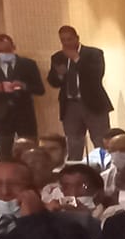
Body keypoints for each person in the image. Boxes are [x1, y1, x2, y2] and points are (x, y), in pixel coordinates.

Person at [44, 26, 112, 161]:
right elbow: (53, 82)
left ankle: (105, 168)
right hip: (70, 106)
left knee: (100, 140)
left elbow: (96, 75)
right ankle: (75, 169)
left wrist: (76, 59)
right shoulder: (58, 57)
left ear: (77, 38)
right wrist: (59, 75)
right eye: (63, 40)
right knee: (73, 143)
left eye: (69, 39)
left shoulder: (94, 53)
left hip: (94, 104)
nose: (66, 43)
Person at [0, 33, 41, 156]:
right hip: (1, 115)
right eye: (1, 51)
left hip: (24, 115)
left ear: (13, 47)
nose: (4, 54)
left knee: (30, 153)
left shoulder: (28, 64)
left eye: (7, 50)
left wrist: (24, 86)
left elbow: (40, 89)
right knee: (5, 154)